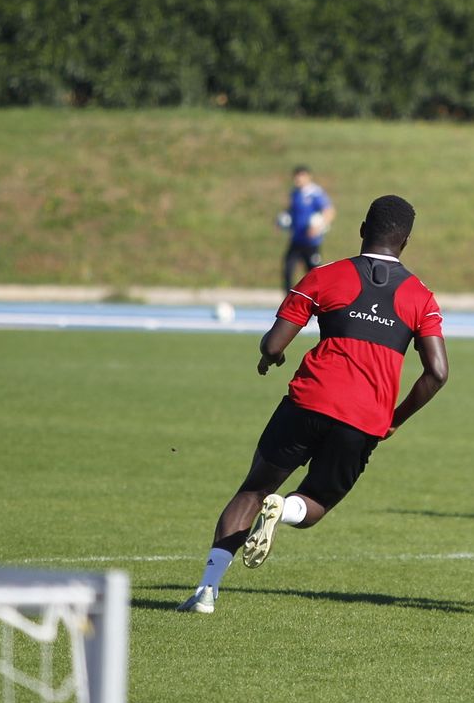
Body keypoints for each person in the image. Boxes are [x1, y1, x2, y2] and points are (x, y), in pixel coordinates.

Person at [178, 195, 447, 613]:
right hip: (365, 418)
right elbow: (438, 372)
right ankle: (284, 509)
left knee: (252, 490)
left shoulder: (324, 276)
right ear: (406, 242)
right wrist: (395, 419)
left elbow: (273, 343)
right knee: (316, 501)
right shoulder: (421, 297)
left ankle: (206, 592)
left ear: (362, 230)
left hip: (309, 400)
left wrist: (270, 358)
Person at [282, 164, 336, 292]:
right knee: (288, 269)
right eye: (296, 176)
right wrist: (283, 220)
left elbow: (329, 211)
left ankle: (317, 297)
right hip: (296, 240)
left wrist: (318, 227)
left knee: (313, 273)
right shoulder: (295, 193)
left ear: (308, 176)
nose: (298, 179)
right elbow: (291, 211)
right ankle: (288, 299)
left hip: (311, 242)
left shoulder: (315, 193)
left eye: (301, 176)